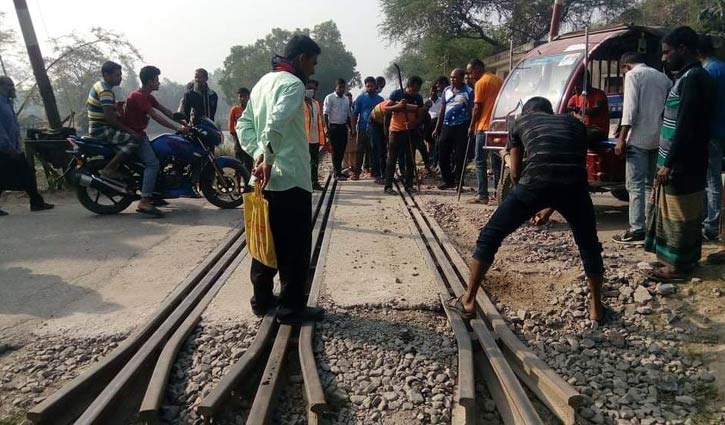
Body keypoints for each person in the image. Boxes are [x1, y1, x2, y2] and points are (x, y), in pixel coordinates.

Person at [445, 97, 605, 321]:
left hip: (535, 183)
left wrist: (513, 166)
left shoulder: (520, 123)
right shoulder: (573, 123)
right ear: (550, 112)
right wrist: (547, 208)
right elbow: (566, 164)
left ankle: (468, 301)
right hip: (575, 188)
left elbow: (517, 173)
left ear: (527, 112)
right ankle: (596, 309)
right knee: (589, 245)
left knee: (490, 235)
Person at [237, 34, 324, 325]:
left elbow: (243, 124)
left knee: (265, 238)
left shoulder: (263, 83)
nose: (313, 69)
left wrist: (258, 155)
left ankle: (261, 300)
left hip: (261, 180)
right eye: (312, 62)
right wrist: (269, 159)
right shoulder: (293, 85)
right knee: (295, 247)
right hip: (289, 179)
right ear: (301, 59)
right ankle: (290, 309)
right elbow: (277, 121)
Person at [643, 26, 715, 281]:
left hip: (683, 162)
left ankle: (677, 266)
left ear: (683, 49)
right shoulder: (691, 76)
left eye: (667, 52)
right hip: (688, 159)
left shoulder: (694, 79)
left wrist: (669, 163)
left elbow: (686, 126)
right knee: (686, 211)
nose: (663, 58)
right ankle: (686, 259)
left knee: (679, 214)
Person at [611, 53, 673, 244]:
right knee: (649, 185)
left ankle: (637, 229)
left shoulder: (633, 76)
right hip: (658, 137)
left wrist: (621, 138)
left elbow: (630, 110)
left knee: (635, 186)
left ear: (626, 66)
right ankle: (649, 227)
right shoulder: (663, 78)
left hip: (638, 138)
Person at [122, 65, 190, 217]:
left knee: (161, 156)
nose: (158, 82)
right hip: (134, 136)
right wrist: (176, 128)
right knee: (153, 164)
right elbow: (155, 116)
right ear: (149, 81)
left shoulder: (148, 96)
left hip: (140, 134)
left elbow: (165, 111)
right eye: (156, 80)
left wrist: (185, 123)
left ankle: (155, 194)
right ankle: (144, 201)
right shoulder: (138, 96)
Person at [0, 76, 54, 215]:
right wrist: (8, 147)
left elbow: (12, 127)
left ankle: (36, 201)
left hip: (12, 146)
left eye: (12, 85)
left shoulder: (7, 103)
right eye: (8, 85)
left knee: (24, 173)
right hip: (4, 148)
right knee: (22, 173)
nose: (12, 88)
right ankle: (36, 202)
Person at [86, 62, 146, 183]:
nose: (120, 78)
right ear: (106, 75)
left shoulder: (99, 85)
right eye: (116, 75)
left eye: (120, 75)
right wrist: (131, 131)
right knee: (135, 139)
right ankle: (109, 168)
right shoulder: (105, 91)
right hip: (102, 130)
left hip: (97, 126)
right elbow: (110, 119)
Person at [697, 35, 725, 242]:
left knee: (710, 179)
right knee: (712, 177)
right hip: (720, 129)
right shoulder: (722, 68)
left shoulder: (706, 72)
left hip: (710, 131)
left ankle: (711, 224)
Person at [467, 59, 503, 204]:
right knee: (496, 161)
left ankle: (482, 195)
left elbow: (477, 108)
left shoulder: (481, 83)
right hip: (497, 127)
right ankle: (498, 193)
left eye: (471, 72)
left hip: (483, 126)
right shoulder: (498, 80)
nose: (470, 76)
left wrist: (471, 125)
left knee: (480, 161)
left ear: (478, 68)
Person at [383, 75, 427, 194]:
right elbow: (386, 109)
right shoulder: (397, 94)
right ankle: (388, 186)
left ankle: (409, 185)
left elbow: (421, 115)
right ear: (408, 86)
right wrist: (398, 106)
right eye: (413, 90)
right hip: (396, 131)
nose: (414, 93)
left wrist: (414, 123)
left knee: (410, 159)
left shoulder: (418, 98)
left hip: (410, 132)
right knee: (392, 159)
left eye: (417, 90)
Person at [434, 68, 474, 190]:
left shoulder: (469, 91)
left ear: (462, 78)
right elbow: (442, 109)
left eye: (455, 77)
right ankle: (448, 180)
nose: (452, 79)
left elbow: (472, 110)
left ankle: (459, 182)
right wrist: (437, 127)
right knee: (443, 154)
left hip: (462, 126)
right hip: (447, 125)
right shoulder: (446, 90)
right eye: (451, 77)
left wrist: (472, 126)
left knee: (460, 156)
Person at [352, 77, 385, 180]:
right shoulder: (360, 98)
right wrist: (353, 128)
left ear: (375, 86)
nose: (370, 88)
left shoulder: (380, 100)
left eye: (372, 86)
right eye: (368, 86)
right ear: (365, 86)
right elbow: (355, 114)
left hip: (376, 129)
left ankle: (374, 172)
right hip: (362, 128)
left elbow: (384, 115)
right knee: (359, 150)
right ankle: (356, 172)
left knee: (374, 151)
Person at [566, 71, 610, 143]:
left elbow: (594, 111)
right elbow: (567, 109)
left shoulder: (599, 94)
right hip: (583, 128)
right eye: (574, 85)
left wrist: (576, 110)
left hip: (598, 130)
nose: (575, 88)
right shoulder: (575, 97)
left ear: (586, 82)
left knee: (579, 136)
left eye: (578, 84)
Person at [323, 79, 354, 179]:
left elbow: (348, 115)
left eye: (343, 87)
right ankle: (337, 173)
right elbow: (325, 114)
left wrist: (351, 128)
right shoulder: (330, 97)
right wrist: (327, 128)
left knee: (342, 150)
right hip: (333, 127)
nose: (341, 89)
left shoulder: (346, 99)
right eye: (339, 87)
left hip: (343, 127)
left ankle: (338, 171)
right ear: (336, 87)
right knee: (335, 151)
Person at [304, 79, 326, 191]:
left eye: (312, 89)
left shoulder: (316, 103)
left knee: (314, 161)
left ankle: (314, 182)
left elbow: (319, 120)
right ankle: (305, 183)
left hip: (315, 137)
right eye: (308, 88)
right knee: (305, 162)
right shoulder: (299, 103)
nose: (310, 91)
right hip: (304, 138)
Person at [425, 76, 449, 170]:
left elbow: (441, 113)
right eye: (432, 90)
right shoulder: (427, 102)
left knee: (439, 145)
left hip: (440, 123)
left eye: (435, 90)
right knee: (431, 144)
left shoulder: (441, 99)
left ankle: (436, 163)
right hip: (430, 123)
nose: (434, 92)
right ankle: (431, 162)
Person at [228, 87, 254, 172]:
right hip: (238, 137)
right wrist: (235, 136)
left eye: (244, 96)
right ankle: (238, 184)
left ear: (248, 97)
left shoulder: (252, 109)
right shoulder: (235, 110)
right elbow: (231, 125)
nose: (242, 98)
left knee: (249, 160)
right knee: (238, 160)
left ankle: (248, 182)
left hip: (249, 138)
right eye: (240, 96)